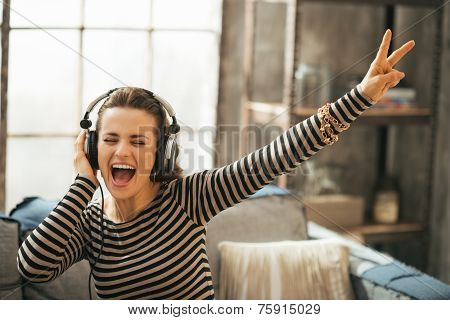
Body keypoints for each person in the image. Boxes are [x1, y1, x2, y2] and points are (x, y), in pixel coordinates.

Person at [17, 29, 414, 299]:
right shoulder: (89, 225)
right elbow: (32, 268)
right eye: (109, 140)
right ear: (91, 147)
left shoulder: (189, 198)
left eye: (139, 141)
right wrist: (82, 184)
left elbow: (279, 154)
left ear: (160, 152)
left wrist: (359, 95)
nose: (122, 152)